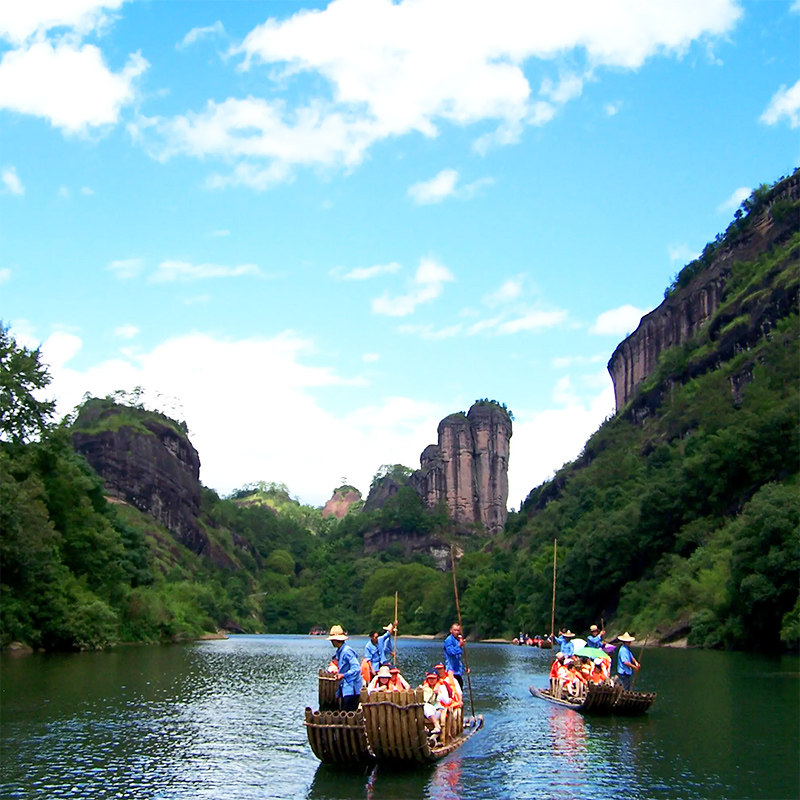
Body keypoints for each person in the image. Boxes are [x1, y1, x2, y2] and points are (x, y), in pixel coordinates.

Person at [327, 624, 362, 711]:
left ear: (335, 640)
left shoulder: (347, 651)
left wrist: (343, 675)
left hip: (351, 690)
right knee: (343, 711)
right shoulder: (340, 651)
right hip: (345, 688)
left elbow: (356, 668)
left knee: (349, 712)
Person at [443, 623, 467, 689]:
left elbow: (458, 658)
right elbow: (451, 652)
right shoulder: (448, 640)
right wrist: (459, 645)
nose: (456, 632)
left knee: (460, 689)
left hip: (458, 671)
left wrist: (464, 668)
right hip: (451, 671)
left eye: (458, 630)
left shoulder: (458, 640)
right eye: (455, 630)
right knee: (453, 689)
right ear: (451, 630)